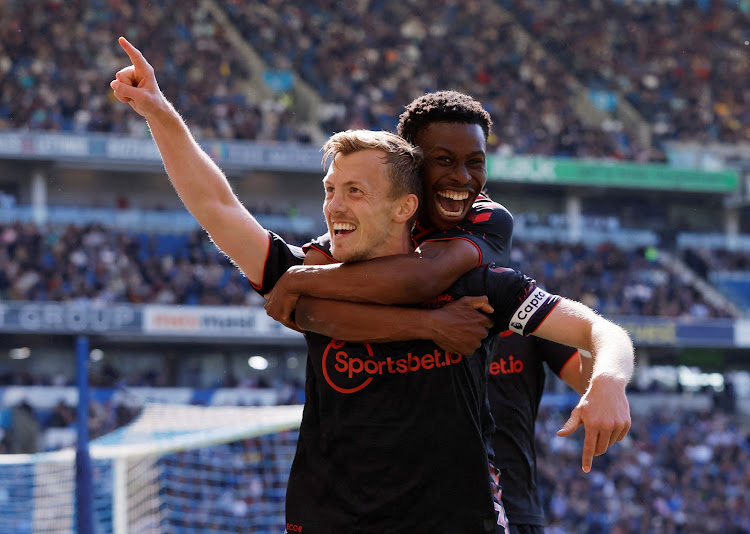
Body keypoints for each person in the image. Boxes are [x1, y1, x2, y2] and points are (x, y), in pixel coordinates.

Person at [488, 334, 595, 534]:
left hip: (516, 505)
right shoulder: (435, 313)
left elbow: (587, 383)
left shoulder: (529, 315)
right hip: (440, 505)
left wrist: (589, 334)